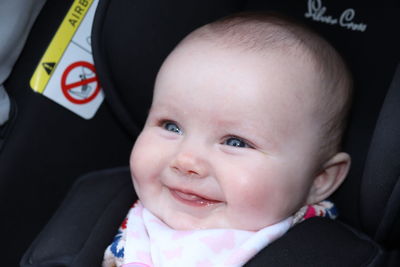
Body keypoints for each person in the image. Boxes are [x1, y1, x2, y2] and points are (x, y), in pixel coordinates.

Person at [103, 11, 353, 267]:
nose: (186, 160)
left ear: (319, 179)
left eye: (235, 142)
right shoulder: (103, 217)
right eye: (171, 126)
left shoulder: (315, 255)